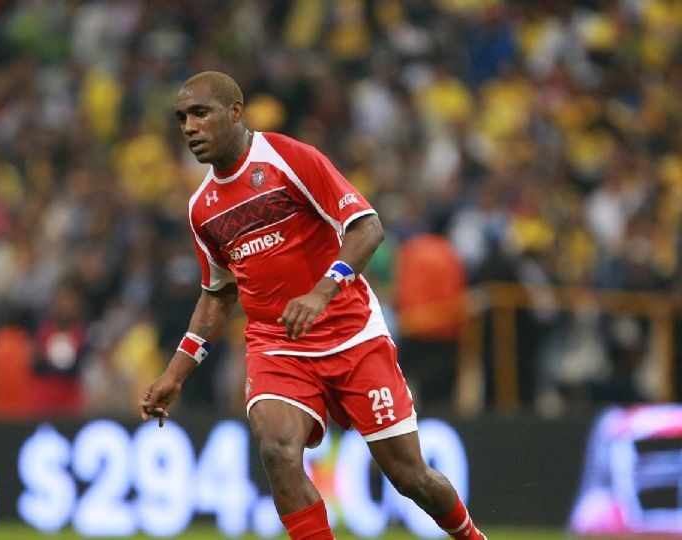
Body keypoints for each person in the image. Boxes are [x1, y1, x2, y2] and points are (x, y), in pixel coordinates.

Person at [139, 71, 486, 540]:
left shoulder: (288, 158)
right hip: (277, 346)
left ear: (235, 112)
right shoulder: (202, 207)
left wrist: (322, 292)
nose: (189, 127)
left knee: (410, 478)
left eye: (200, 113)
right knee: (278, 451)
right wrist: (174, 374)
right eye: (182, 118)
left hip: (351, 334)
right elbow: (217, 295)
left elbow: (367, 228)